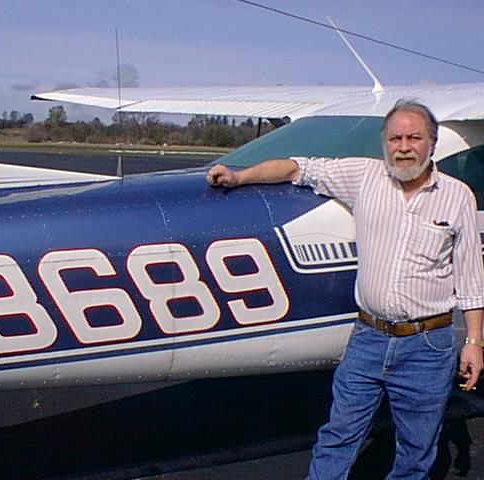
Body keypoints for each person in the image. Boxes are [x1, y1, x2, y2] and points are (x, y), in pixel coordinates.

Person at [207, 99, 484, 480]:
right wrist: (240, 178)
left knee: (417, 450)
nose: (403, 146)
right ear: (385, 143)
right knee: (338, 436)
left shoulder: (457, 197)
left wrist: (473, 341)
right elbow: (297, 167)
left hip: (428, 344)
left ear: (432, 144)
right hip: (368, 337)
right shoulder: (364, 176)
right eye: (395, 138)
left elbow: (470, 275)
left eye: (414, 137)